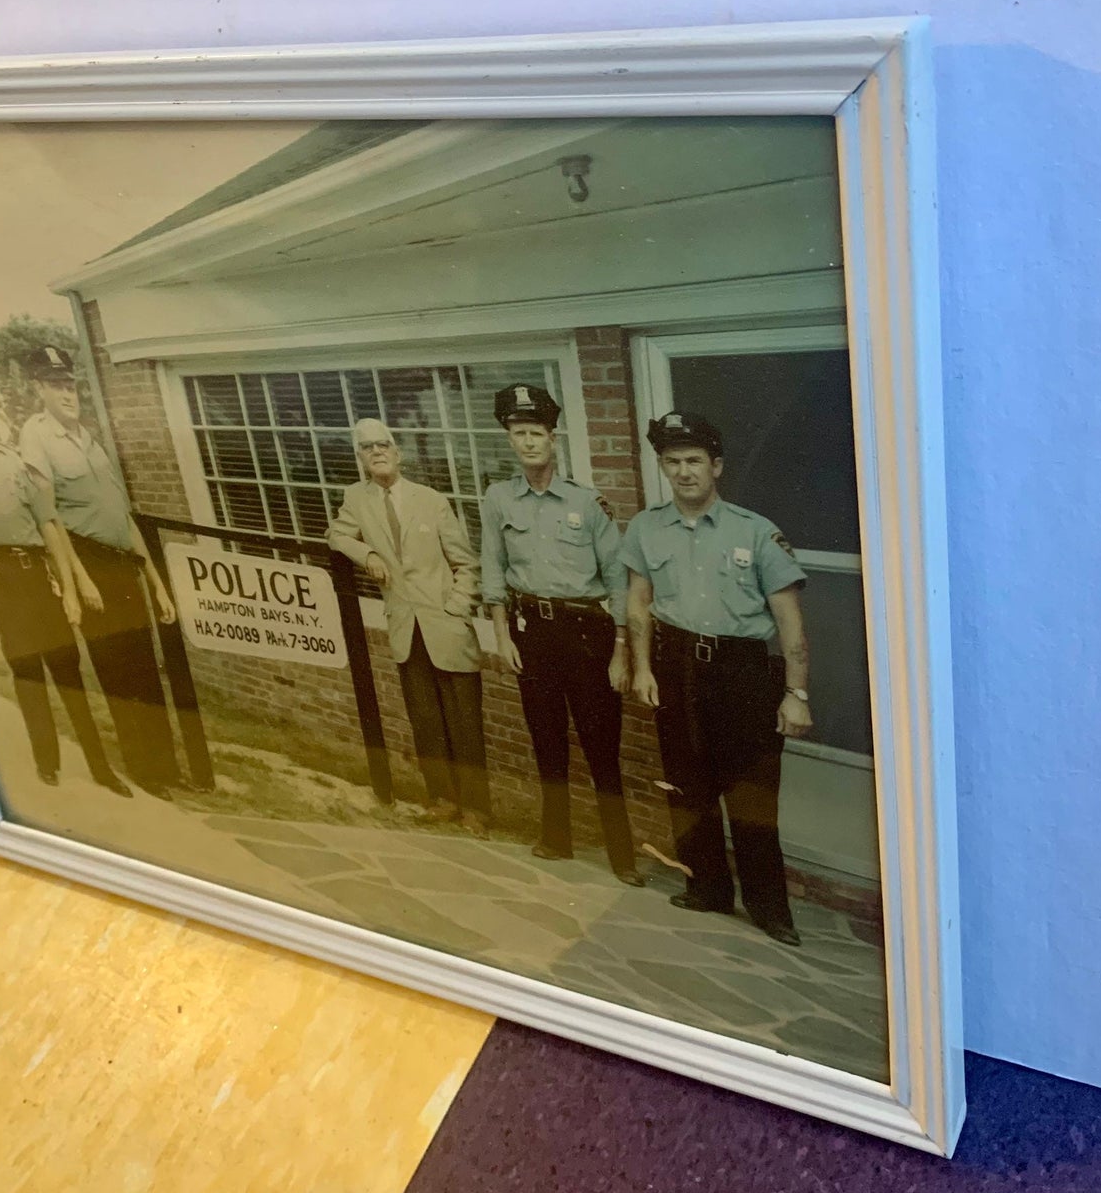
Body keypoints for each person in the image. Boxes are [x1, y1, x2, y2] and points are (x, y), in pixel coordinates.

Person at [622, 410, 814, 946]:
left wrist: (796, 693)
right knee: (687, 785)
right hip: (674, 664)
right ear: (663, 466)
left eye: (694, 461)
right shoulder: (644, 528)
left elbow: (790, 623)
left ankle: (769, 907)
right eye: (672, 461)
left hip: (742, 671)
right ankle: (707, 888)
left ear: (717, 466)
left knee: (751, 794)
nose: (684, 472)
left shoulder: (755, 532)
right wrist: (642, 667)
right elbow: (638, 604)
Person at [0, 354, 131, 796]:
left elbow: (49, 525)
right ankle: (47, 763)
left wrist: (71, 587)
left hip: (39, 574)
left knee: (67, 667)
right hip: (0, 574)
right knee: (26, 670)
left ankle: (100, 767)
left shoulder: (15, 457)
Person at [481, 381, 643, 886]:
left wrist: (620, 650)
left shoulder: (587, 502)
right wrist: (502, 637)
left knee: (601, 744)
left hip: (586, 634)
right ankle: (557, 838)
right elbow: (493, 568)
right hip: (532, 632)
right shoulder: (499, 498)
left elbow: (616, 578)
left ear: (554, 438)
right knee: (545, 738)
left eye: (536, 432)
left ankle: (622, 855)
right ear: (509, 438)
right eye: (517, 432)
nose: (527, 442)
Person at [19, 345, 183, 799]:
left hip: (124, 566)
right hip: (89, 564)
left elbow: (123, 516)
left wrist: (156, 582)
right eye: (56, 385)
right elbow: (48, 518)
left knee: (146, 668)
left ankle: (165, 767)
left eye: (69, 384)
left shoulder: (89, 438)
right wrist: (80, 580)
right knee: (118, 670)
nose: (67, 393)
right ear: (39, 389)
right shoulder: (36, 437)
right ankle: (144, 769)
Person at [328, 418, 491, 834]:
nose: (377, 452)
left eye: (384, 444)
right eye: (367, 447)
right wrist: (367, 555)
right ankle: (442, 798)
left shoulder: (431, 499)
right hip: (405, 627)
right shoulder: (356, 498)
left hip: (447, 625)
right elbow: (336, 535)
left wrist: (456, 607)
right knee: (425, 719)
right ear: (361, 458)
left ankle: (476, 807)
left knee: (464, 722)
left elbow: (466, 563)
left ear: (397, 452)